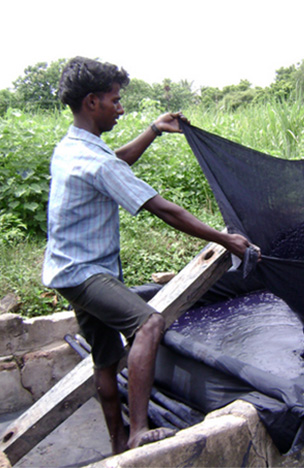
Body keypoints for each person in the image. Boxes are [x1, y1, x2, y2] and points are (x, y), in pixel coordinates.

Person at [42, 57, 256, 453]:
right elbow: (164, 209)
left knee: (105, 360)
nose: (120, 108)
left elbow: (115, 162)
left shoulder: (73, 147)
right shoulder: (95, 161)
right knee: (149, 324)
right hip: (87, 272)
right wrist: (224, 239)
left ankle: (118, 443)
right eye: (115, 100)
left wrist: (154, 130)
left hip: (66, 270)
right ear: (92, 102)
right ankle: (139, 429)